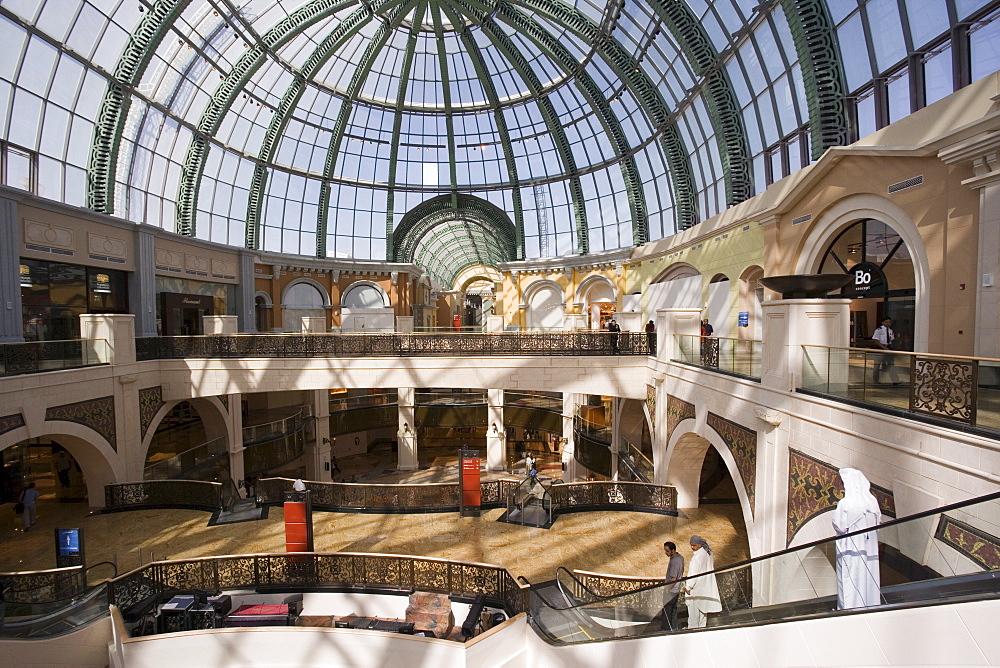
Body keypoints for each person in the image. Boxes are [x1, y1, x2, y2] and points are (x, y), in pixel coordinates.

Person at [833, 468, 882, 609]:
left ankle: (850, 611)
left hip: (851, 551)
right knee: (868, 582)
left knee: (851, 584)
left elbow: (839, 526)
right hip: (869, 550)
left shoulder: (846, 503)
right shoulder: (872, 503)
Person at [684, 535, 721, 628]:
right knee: (702, 616)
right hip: (705, 588)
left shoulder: (697, 557)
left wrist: (688, 587)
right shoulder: (708, 552)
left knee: (693, 617)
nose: (692, 547)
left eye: (694, 545)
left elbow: (693, 573)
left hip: (696, 589)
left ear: (700, 544)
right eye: (691, 545)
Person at [660, 541, 684, 630]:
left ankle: (666, 630)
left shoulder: (675, 561)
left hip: (671, 590)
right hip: (676, 590)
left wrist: (666, 589)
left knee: (667, 613)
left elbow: (673, 579)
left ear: (673, 550)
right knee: (673, 612)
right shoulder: (680, 558)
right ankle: (674, 628)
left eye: (667, 551)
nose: (666, 553)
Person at [871, 318, 899, 385]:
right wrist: (883, 347)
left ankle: (895, 380)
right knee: (877, 365)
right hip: (880, 348)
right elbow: (876, 340)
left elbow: (892, 339)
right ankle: (876, 380)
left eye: (889, 322)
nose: (888, 323)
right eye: (886, 322)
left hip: (888, 347)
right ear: (883, 322)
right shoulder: (879, 330)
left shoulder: (890, 330)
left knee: (891, 364)